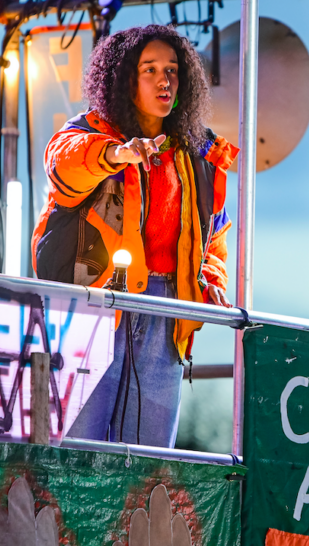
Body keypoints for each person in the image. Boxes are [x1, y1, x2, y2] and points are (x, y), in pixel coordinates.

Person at [31, 24, 238, 447]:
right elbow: (64, 165)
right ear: (125, 79)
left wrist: (211, 283)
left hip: (165, 318)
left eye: (173, 69)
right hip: (95, 308)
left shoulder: (199, 154)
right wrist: (116, 153)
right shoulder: (87, 133)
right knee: (78, 450)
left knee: (148, 463)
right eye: (150, 69)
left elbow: (214, 235)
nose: (165, 80)